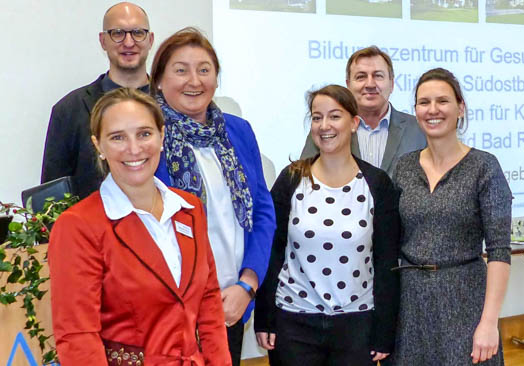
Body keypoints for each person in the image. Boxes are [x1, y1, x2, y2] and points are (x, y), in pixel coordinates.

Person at [49, 88, 231, 365]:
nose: (134, 149)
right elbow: (77, 336)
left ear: (161, 136)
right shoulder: (78, 226)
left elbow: (209, 304)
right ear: (99, 146)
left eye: (144, 133)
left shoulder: (190, 209)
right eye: (118, 137)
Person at [150, 27, 276, 366]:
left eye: (204, 70)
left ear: (217, 79)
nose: (195, 80)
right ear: (159, 80)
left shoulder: (238, 130)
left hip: (231, 302)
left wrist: (247, 284)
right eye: (181, 70)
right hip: (171, 309)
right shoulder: (147, 138)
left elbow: (263, 209)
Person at [255, 85, 400, 366]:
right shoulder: (291, 179)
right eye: (317, 117)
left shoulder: (377, 184)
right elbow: (272, 252)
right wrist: (265, 318)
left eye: (334, 116)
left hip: (356, 325)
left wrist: (384, 331)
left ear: (354, 123)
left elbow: (386, 262)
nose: (324, 126)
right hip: (293, 323)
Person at [386, 68, 512, 365]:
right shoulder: (404, 168)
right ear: (415, 110)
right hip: (410, 304)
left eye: (442, 101)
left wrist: (489, 322)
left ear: (460, 108)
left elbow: (499, 251)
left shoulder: (484, 167)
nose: (432, 110)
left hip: (465, 300)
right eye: (423, 102)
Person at [41, 2, 154, 199]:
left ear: (150, 40)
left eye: (137, 32)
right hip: (91, 229)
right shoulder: (69, 110)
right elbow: (52, 199)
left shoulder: (172, 104)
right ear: (103, 41)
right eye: (118, 33)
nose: (129, 42)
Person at [300, 46, 426, 177]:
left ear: (392, 84)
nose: (370, 84)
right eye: (361, 77)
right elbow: (304, 176)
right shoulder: (328, 130)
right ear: (348, 85)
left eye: (378, 76)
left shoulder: (418, 130)